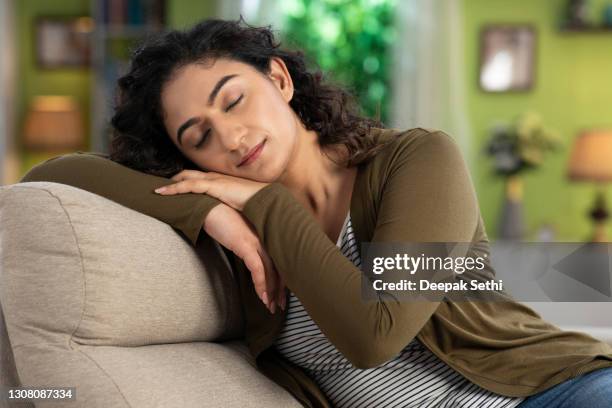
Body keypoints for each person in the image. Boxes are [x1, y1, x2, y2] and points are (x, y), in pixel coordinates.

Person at [21, 17, 612, 408]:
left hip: (551, 394)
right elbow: (48, 174)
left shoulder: (418, 159)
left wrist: (267, 203)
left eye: (234, 99)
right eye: (198, 135)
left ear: (278, 79)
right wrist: (206, 212)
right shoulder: (229, 211)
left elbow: (372, 335)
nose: (229, 136)